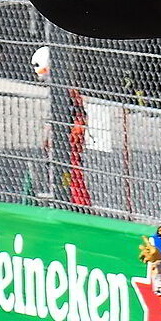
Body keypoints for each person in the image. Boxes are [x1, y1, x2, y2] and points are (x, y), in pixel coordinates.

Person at [33, 46, 92, 210]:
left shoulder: (68, 91)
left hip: (69, 141)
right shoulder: (62, 89)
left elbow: (79, 116)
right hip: (65, 139)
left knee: (73, 174)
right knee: (67, 175)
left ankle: (80, 205)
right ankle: (73, 203)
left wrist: (72, 137)